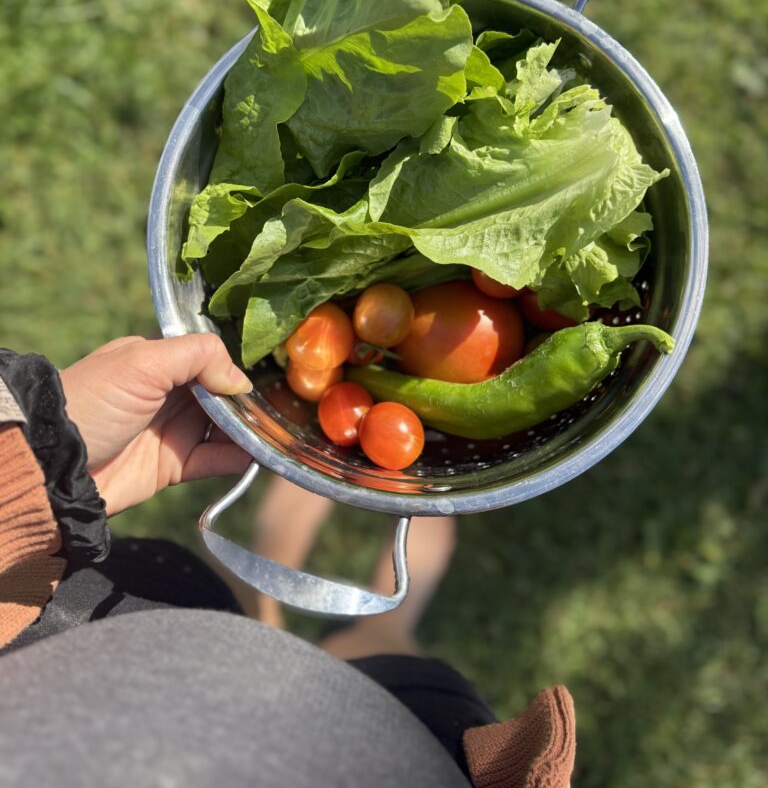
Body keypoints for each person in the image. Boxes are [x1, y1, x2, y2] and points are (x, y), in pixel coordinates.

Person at [0, 333, 576, 787]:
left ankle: (268, 590)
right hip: (399, 752)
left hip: (103, 641)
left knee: (226, 605)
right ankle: (384, 619)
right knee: (390, 653)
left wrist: (45, 458)